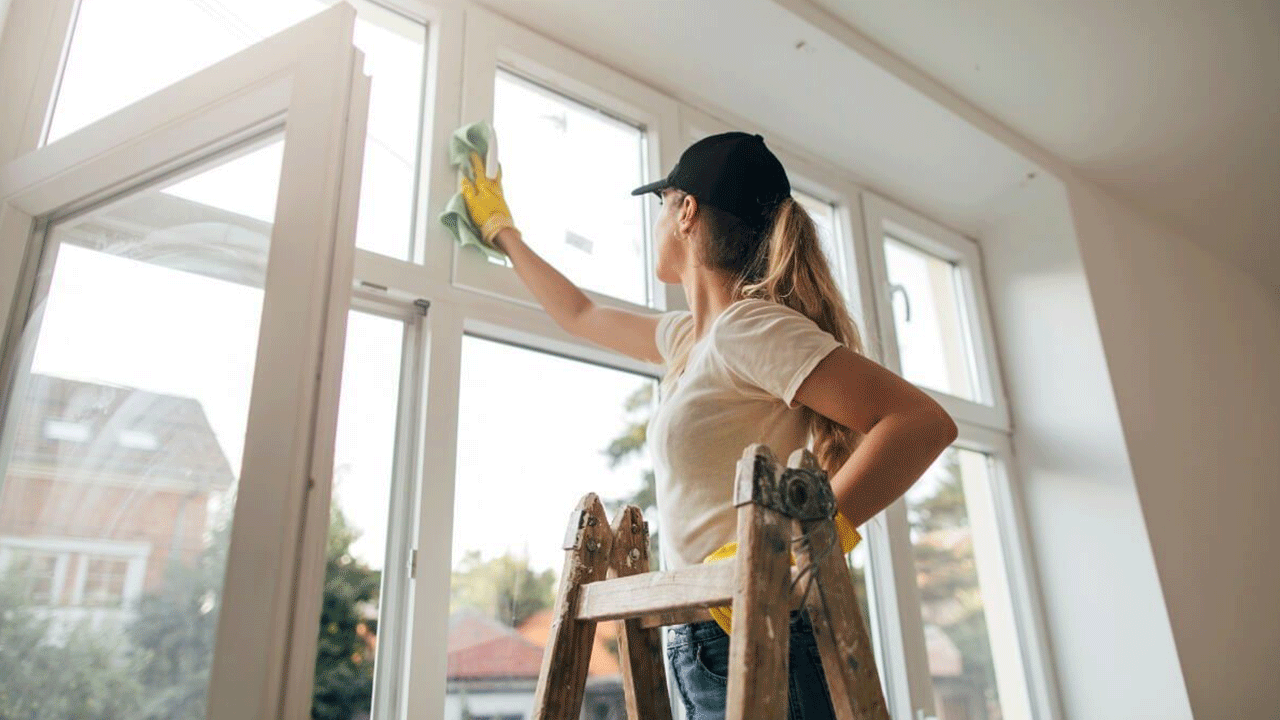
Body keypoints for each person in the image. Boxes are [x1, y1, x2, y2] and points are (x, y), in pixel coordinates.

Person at [459, 131, 957, 720]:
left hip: (762, 628)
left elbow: (920, 422)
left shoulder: (749, 328)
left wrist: (804, 544)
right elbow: (580, 314)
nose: (657, 223)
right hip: (703, 635)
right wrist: (501, 230)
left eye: (661, 205)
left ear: (685, 209)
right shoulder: (686, 341)